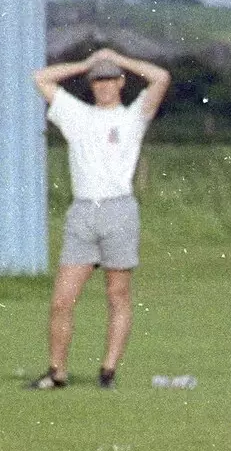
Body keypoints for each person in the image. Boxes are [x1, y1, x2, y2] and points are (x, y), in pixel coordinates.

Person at [28, 48, 170, 390]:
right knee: (63, 299)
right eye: (98, 80)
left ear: (121, 83)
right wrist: (85, 64)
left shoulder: (133, 115)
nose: (104, 86)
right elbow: (40, 78)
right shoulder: (76, 114)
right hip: (82, 211)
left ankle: (108, 370)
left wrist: (119, 58)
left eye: (110, 79)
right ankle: (57, 371)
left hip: (118, 209)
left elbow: (161, 78)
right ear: (91, 85)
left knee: (117, 294)